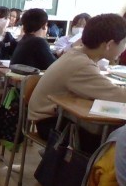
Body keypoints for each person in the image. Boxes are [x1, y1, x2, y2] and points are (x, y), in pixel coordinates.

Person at [28, 13, 126, 151]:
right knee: (115, 140)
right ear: (109, 45)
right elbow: (119, 96)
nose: (124, 48)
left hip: (55, 118)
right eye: (124, 43)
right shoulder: (81, 64)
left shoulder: (78, 54)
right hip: (52, 125)